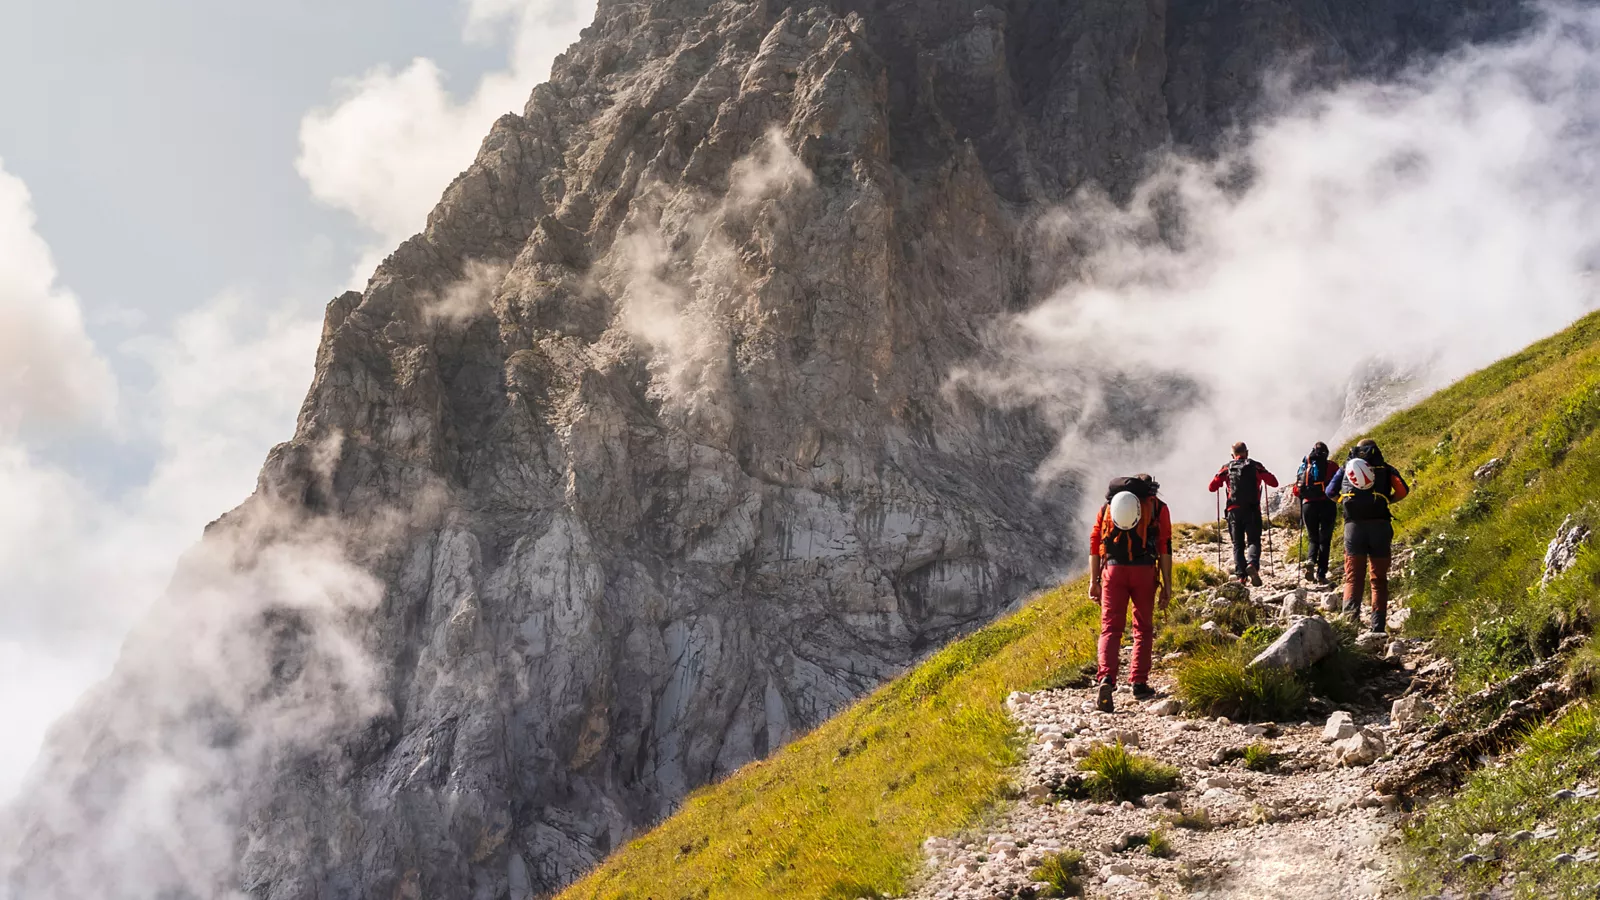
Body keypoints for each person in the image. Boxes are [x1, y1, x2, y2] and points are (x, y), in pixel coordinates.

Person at [1089, 474, 1173, 713]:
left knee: (1110, 628)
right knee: (1143, 628)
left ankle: (1106, 679)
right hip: (1144, 571)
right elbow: (1165, 545)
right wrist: (1167, 585)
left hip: (1113, 571)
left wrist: (1094, 581)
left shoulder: (1108, 507)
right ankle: (1139, 681)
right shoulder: (1157, 507)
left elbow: (1095, 543)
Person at [1325, 439, 1410, 634]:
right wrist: (1388, 500)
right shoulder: (1386, 469)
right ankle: (1377, 628)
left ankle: (1349, 625)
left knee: (1353, 577)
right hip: (1380, 527)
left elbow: (1330, 491)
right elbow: (1403, 490)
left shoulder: (1346, 468)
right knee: (1378, 578)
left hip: (1353, 528)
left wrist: (1343, 501)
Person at [1208, 442, 1279, 587]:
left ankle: (1241, 576)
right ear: (1247, 452)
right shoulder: (1256, 466)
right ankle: (1252, 564)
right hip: (1252, 510)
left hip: (1233, 511)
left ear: (1232, 455)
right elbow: (1274, 482)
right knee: (1253, 540)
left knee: (1237, 544)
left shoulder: (1227, 467)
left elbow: (1212, 487)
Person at [1292, 442, 1340, 584]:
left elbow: (1296, 490)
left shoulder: (1304, 466)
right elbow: (1338, 484)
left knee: (1313, 538)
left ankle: (1311, 560)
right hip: (1327, 504)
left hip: (1308, 505)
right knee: (1325, 540)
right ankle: (1321, 575)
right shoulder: (1332, 466)